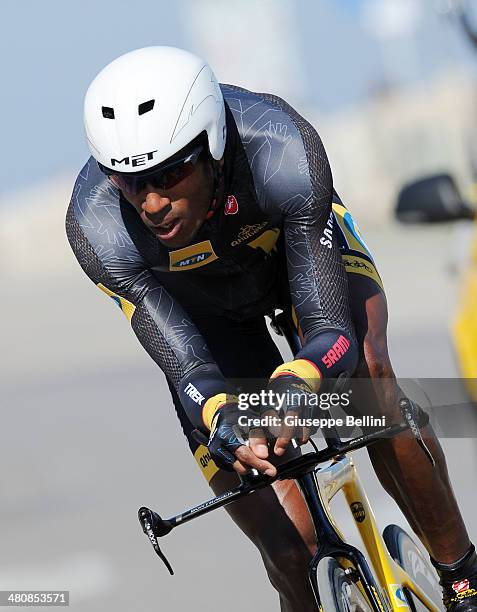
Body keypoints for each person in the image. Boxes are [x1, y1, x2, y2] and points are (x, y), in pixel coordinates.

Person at [66, 46, 476, 612]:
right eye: (130, 181)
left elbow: (332, 331)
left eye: (169, 173)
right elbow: (187, 366)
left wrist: (300, 381)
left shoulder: (280, 150)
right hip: (206, 317)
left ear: (211, 146)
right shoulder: (97, 226)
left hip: (297, 267)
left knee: (368, 381)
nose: (152, 202)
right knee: (289, 552)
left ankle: (463, 579)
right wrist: (221, 414)